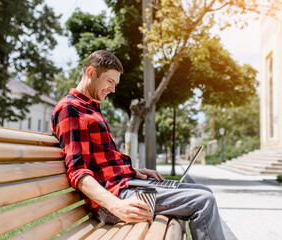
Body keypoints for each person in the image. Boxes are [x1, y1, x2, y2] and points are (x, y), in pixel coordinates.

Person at [50, 50, 226, 240]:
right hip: (114, 200)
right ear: (91, 72)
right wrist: (117, 206)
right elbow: (78, 172)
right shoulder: (71, 109)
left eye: (115, 84)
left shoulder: (90, 108)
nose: (113, 89)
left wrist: (133, 172)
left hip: (125, 186)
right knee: (203, 201)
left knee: (204, 191)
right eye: (110, 81)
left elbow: (102, 161)